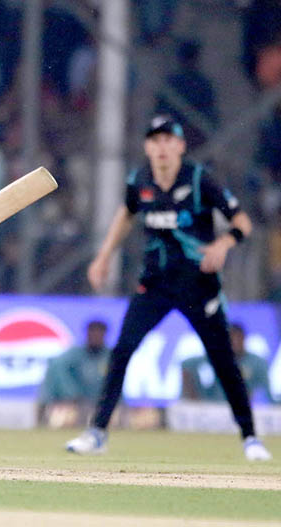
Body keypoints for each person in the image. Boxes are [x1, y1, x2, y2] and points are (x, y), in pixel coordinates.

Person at [65, 116, 273, 462]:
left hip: (198, 287)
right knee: (122, 352)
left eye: (168, 140)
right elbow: (125, 214)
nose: (161, 147)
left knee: (223, 361)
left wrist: (222, 245)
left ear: (180, 146)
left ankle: (251, 438)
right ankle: (97, 432)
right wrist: (103, 257)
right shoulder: (140, 180)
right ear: (147, 147)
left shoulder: (198, 179)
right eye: (155, 141)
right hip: (155, 285)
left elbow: (242, 222)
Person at [38, 320, 110, 427]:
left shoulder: (109, 356)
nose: (96, 337)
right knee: (65, 418)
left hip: (100, 404)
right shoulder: (73, 355)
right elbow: (57, 374)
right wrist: (71, 394)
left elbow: (116, 383)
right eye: (93, 332)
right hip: (72, 403)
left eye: (99, 333)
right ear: (87, 334)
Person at [182, 323, 276, 404]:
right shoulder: (213, 358)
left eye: (238, 338)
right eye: (231, 338)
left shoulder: (257, 363)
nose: (234, 342)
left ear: (244, 339)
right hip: (211, 407)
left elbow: (266, 392)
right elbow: (187, 365)